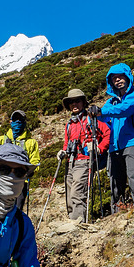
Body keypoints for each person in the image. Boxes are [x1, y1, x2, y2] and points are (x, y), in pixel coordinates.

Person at [89, 63, 134, 206]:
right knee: (115, 181)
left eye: (121, 77)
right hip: (114, 147)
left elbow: (125, 109)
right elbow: (103, 116)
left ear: (128, 77)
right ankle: (117, 213)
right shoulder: (110, 101)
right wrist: (93, 113)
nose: (118, 80)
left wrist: (101, 112)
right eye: (114, 78)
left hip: (132, 142)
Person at [57, 89, 110, 220]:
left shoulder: (92, 119)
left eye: (77, 101)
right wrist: (63, 151)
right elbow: (67, 142)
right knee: (69, 195)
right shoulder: (69, 124)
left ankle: (78, 223)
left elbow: (107, 133)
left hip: (85, 161)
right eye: (71, 102)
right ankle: (72, 220)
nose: (74, 104)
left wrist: (99, 148)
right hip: (70, 162)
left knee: (77, 193)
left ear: (83, 102)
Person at [0, 110, 40, 209]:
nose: (18, 122)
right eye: (15, 119)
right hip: (2, 180)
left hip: (21, 182)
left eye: (20, 119)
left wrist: (29, 172)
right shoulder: (1, 140)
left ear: (24, 122)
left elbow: (35, 162)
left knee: (17, 209)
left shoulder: (31, 142)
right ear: (10, 122)